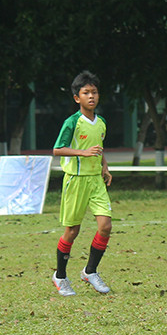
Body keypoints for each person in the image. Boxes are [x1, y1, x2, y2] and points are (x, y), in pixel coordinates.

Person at [51, 70, 113, 296]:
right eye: (86, 93)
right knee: (72, 231)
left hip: (95, 181)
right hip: (76, 181)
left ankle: (90, 271)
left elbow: (99, 148)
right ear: (77, 98)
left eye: (94, 92)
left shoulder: (101, 122)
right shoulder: (72, 122)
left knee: (105, 226)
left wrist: (104, 166)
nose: (91, 96)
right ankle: (60, 276)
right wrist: (83, 153)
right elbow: (58, 149)